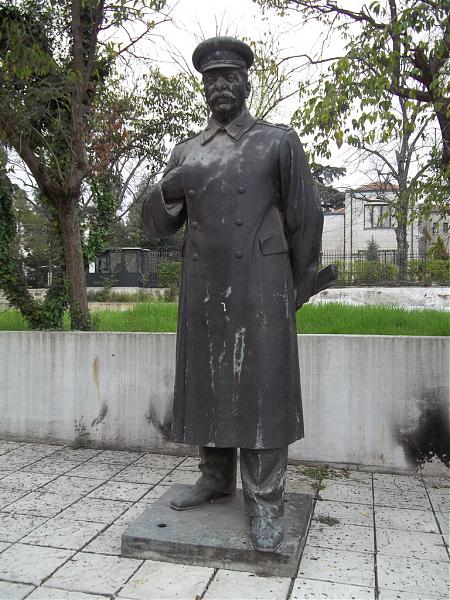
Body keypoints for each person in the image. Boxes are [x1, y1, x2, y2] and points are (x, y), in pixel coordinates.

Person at [142, 36, 325, 552]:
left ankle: (265, 501)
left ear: (247, 82)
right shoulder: (188, 152)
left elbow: (305, 219)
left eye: (230, 76)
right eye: (212, 79)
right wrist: (168, 186)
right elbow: (154, 223)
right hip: (203, 284)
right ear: (204, 88)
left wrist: (296, 284)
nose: (221, 85)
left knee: (262, 389)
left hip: (261, 285)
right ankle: (215, 476)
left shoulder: (276, 141)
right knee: (206, 379)